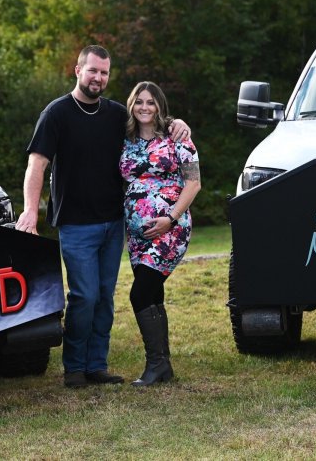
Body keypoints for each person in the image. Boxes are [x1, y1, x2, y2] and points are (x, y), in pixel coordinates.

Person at [15, 45, 191, 388]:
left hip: (114, 223)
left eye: (105, 72)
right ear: (77, 70)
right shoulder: (56, 113)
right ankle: (75, 368)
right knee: (84, 296)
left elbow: (151, 123)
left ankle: (97, 365)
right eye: (93, 70)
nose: (98, 78)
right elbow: (37, 164)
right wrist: (29, 212)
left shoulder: (115, 115)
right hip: (76, 223)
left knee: (105, 297)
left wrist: (178, 123)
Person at [119, 81, 201, 387]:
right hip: (138, 232)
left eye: (150, 102)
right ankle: (164, 366)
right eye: (139, 101)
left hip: (171, 227)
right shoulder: (125, 140)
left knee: (139, 292)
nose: (144, 107)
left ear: (159, 106)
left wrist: (170, 217)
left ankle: (154, 364)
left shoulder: (177, 137)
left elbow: (193, 183)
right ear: (131, 105)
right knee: (152, 292)